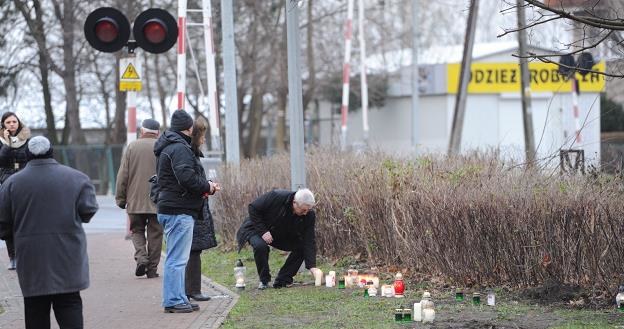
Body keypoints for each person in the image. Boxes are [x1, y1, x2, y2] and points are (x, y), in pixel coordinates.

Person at [0, 136, 98, 329]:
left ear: (27, 155)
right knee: (69, 305)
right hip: (68, 257)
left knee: (35, 310)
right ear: (52, 151)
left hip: (31, 258)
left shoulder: (11, 184)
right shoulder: (77, 178)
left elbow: (3, 223)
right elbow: (88, 211)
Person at [154, 110, 216, 313]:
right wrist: (208, 186)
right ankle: (173, 300)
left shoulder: (168, 146)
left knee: (177, 258)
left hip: (171, 207)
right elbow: (187, 179)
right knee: (177, 259)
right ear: (189, 128)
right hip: (178, 210)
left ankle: (179, 297)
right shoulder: (179, 149)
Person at [236, 188, 319, 289]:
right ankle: (264, 280)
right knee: (260, 246)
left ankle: (283, 279)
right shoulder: (276, 196)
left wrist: (312, 267)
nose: (306, 213)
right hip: (256, 228)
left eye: (308, 210)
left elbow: (309, 240)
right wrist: (263, 231)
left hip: (278, 233)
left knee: (302, 246)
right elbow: (253, 208)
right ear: (294, 203)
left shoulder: (309, 215)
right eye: (303, 210)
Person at [115, 118, 163, 278]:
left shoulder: (132, 147)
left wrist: (121, 199)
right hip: (158, 200)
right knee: (155, 234)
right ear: (158, 133)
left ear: (142, 131)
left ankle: (141, 258)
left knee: (136, 230)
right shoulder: (162, 147)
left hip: (134, 199)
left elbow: (123, 175)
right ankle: (152, 269)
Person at [185, 117, 220, 302]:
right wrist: (208, 186)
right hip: (194, 210)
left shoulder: (192, 154)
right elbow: (192, 182)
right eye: (202, 136)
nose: (204, 139)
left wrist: (208, 187)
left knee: (192, 251)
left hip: (197, 208)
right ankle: (192, 290)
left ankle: (191, 289)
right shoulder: (191, 155)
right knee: (193, 251)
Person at [0, 111, 31, 270]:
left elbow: (31, 159)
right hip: (7, 181)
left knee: (28, 219)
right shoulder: (1, 141)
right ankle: (13, 256)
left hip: (26, 180)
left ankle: (28, 255)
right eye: (8, 122)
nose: (12, 124)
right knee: (8, 221)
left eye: (14, 122)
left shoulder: (27, 139)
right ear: (3, 125)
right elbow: (1, 161)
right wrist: (6, 143)